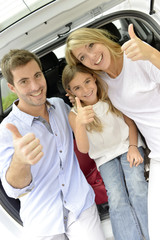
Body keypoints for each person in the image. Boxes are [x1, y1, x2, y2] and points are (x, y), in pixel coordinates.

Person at [64, 24, 160, 240]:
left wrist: (152, 54)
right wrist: (79, 113)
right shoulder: (102, 81)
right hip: (145, 153)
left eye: (91, 45)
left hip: (134, 147)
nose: (92, 56)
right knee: (122, 202)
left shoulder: (133, 56)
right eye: (82, 56)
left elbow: (129, 122)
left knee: (138, 190)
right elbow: (84, 147)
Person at [0, 49, 106, 240]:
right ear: (12, 87)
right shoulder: (6, 130)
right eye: (24, 81)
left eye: (37, 76)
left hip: (80, 205)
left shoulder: (60, 106)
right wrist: (20, 161)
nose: (35, 86)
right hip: (43, 221)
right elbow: (12, 190)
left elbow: (86, 134)